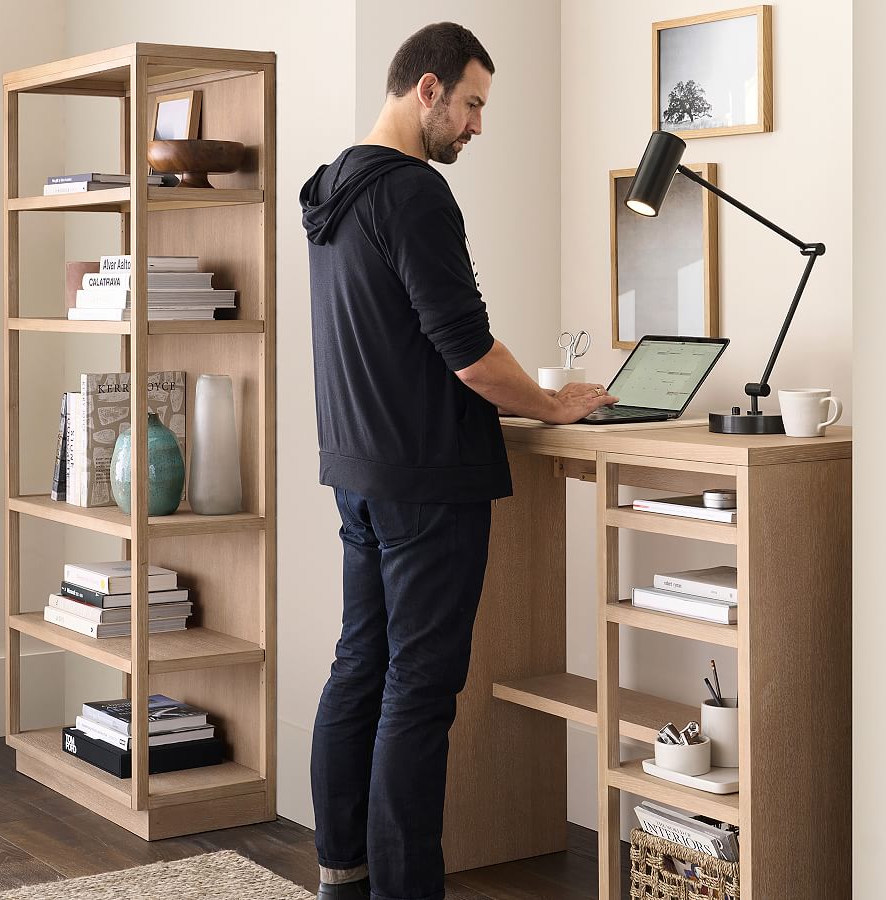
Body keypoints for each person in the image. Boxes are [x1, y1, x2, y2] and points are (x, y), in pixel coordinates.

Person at [300, 22, 615, 900]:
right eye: (473, 104)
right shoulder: (411, 193)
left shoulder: (333, 189)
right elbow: (469, 352)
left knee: (360, 665)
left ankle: (342, 873)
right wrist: (554, 403)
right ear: (428, 89)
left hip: (359, 472)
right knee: (419, 691)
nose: (478, 126)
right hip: (428, 479)